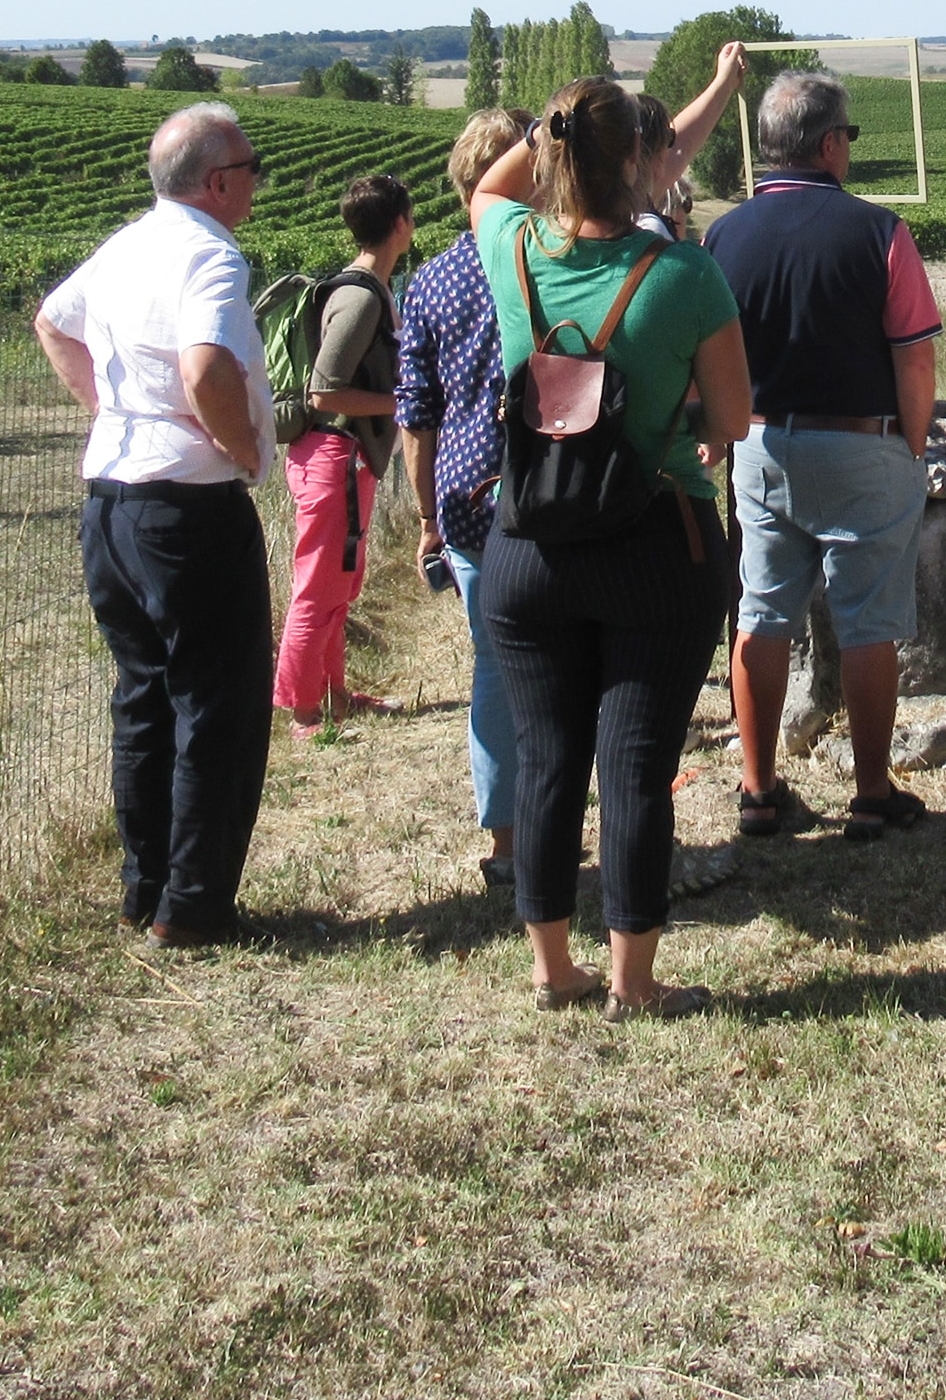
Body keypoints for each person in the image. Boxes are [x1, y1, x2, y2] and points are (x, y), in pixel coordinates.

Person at [471, 78, 751, 1014]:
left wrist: (558, 117)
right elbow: (736, 416)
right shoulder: (682, 273)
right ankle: (634, 982)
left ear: (552, 154)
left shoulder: (511, 247)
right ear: (640, 159)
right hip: (655, 542)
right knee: (637, 764)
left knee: (548, 758)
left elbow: (487, 190)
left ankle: (552, 970)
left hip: (527, 545)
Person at [33, 103, 275, 947]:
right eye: (251, 169)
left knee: (142, 697)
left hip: (112, 501)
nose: (256, 183)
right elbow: (206, 366)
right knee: (216, 705)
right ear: (217, 182)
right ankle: (195, 905)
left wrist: (112, 413)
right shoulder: (210, 253)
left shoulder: (127, 243)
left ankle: (144, 889)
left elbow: (51, 323)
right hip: (188, 505)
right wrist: (239, 447)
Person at [702, 70, 941, 841]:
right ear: (831, 143)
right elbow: (915, 359)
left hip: (761, 442)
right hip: (860, 443)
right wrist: (911, 441)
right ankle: (872, 792)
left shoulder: (722, 235)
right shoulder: (880, 232)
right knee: (869, 623)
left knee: (763, 612)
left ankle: (758, 786)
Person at [397, 109, 532, 887]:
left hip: (468, 497)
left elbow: (419, 414)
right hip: (550, 490)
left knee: (492, 666)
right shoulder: (540, 260)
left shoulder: (431, 281)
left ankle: (508, 844)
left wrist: (425, 518)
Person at [272, 175, 415, 736]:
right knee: (316, 587)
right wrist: (401, 402)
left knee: (339, 583)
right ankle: (302, 711)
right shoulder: (359, 299)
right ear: (401, 224)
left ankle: (333, 695)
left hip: (339, 456)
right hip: (335, 456)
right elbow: (324, 392)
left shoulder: (367, 289)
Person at [631, 44, 747, 241]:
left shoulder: (574, 229)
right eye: (665, 143)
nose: (669, 150)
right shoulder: (650, 238)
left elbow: (680, 149)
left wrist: (724, 83)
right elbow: (678, 150)